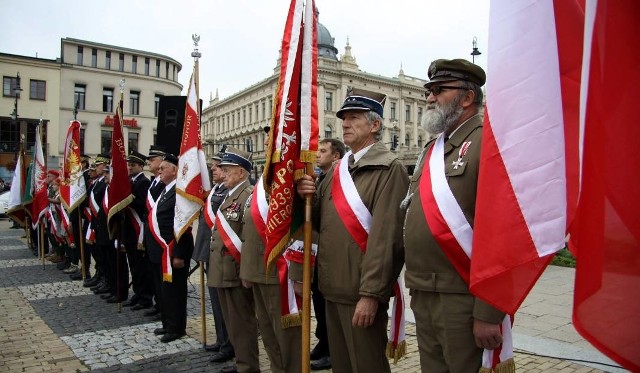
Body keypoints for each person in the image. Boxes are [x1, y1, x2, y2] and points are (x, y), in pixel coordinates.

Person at [402, 59, 504, 372]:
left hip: (462, 297)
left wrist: (489, 311)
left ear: (467, 97)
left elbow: (500, 231)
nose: (429, 97)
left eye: (439, 90)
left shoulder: (488, 143)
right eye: (428, 91)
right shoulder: (432, 150)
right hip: (424, 291)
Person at [297, 88, 408, 372]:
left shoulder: (389, 168)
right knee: (343, 366)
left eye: (354, 117)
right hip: (331, 288)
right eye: (344, 118)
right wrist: (305, 195)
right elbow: (318, 221)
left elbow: (387, 240)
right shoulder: (339, 169)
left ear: (374, 125)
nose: (345, 123)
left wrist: (371, 295)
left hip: (360, 292)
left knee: (366, 365)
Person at [240, 126, 302, 373]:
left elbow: (304, 231)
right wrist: (247, 271)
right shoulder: (263, 181)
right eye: (266, 138)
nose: (267, 141)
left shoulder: (294, 178)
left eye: (272, 138)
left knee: (288, 339)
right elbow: (249, 232)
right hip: (259, 272)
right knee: (268, 335)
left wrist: (297, 274)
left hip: (283, 275)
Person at [208, 147, 257, 373]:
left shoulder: (247, 195)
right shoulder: (230, 193)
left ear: (241, 172)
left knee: (241, 324)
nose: (222, 173)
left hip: (235, 271)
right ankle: (241, 362)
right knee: (232, 323)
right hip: (223, 270)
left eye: (227, 170)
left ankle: (247, 367)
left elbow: (248, 240)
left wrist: (245, 271)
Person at [147, 153, 194, 343]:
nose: (159, 171)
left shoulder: (179, 193)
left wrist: (179, 253)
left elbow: (184, 226)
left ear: (174, 170)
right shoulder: (166, 190)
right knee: (163, 291)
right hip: (160, 250)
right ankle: (167, 323)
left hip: (173, 251)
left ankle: (176, 327)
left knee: (174, 292)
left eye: (162, 168)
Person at [192, 151, 234, 358]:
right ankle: (221, 339)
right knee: (216, 303)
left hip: (223, 255)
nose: (213, 170)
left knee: (225, 304)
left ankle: (229, 344)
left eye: (217, 167)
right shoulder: (215, 190)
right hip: (210, 252)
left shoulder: (229, 192)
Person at [309, 138, 345, 371]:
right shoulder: (321, 178)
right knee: (319, 302)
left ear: (335, 156)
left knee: (328, 306)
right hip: (317, 254)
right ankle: (323, 342)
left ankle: (332, 349)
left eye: (323, 151)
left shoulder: (341, 178)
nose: (317, 155)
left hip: (333, 254)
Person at [121, 150, 153, 310]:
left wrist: (128, 200)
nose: (129, 167)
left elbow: (142, 205)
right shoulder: (130, 181)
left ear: (141, 166)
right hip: (129, 229)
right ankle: (137, 293)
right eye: (128, 164)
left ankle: (145, 297)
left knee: (141, 266)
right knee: (133, 263)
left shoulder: (143, 183)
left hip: (138, 228)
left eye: (132, 165)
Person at [142, 145, 167, 319]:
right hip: (151, 235)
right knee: (153, 274)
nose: (150, 163)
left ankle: (164, 308)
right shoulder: (154, 182)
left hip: (161, 238)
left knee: (162, 277)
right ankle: (158, 304)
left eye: (153, 160)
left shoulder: (166, 185)